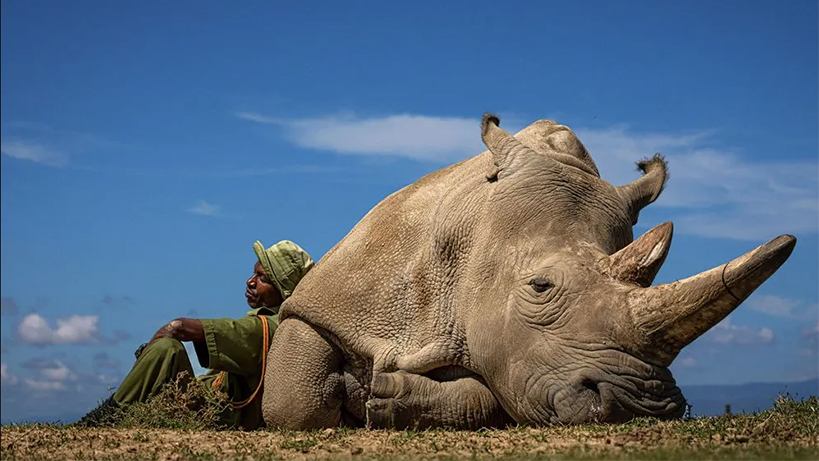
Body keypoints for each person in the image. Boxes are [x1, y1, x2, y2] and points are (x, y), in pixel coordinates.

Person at [77, 240, 314, 429]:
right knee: (164, 354)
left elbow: (184, 328)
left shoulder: (269, 328)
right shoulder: (273, 323)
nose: (250, 282)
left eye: (262, 278)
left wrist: (173, 330)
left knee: (166, 349)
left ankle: (103, 419)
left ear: (282, 291)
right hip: (206, 403)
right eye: (253, 274)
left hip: (216, 415)